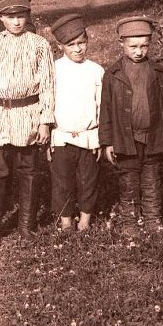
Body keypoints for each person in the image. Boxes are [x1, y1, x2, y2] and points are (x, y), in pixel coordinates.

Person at [0, 0, 54, 240]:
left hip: (28, 113)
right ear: (1, 18)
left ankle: (26, 226)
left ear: (27, 16)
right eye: (10, 17)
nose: (17, 22)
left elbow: (48, 85)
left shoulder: (39, 44)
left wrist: (45, 122)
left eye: (21, 16)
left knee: (29, 169)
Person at [100, 16, 163, 233]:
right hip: (126, 140)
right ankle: (129, 223)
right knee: (128, 181)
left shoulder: (158, 73)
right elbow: (105, 110)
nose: (139, 51)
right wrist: (107, 142)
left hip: (153, 137)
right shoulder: (113, 74)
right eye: (133, 46)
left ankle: (153, 220)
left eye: (144, 45)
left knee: (152, 180)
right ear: (121, 44)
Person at [48, 13, 103, 232]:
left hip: (88, 137)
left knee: (88, 181)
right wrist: (49, 138)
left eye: (82, 43)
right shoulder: (53, 70)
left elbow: (101, 107)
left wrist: (99, 139)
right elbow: (48, 105)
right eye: (71, 45)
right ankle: (66, 221)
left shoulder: (96, 71)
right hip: (61, 137)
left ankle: (85, 220)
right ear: (60, 46)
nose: (78, 49)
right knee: (62, 181)